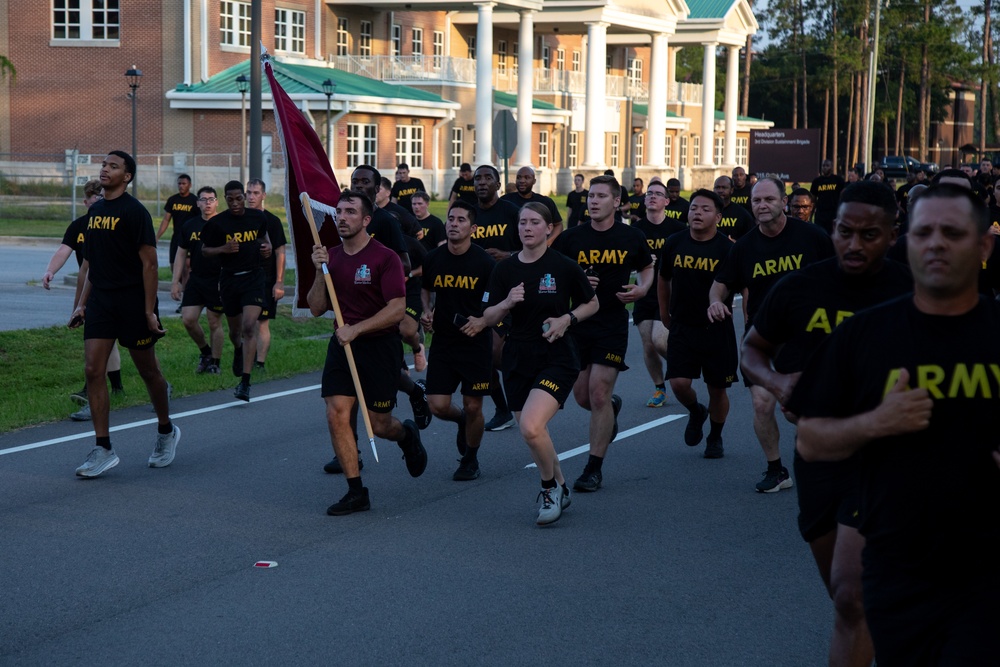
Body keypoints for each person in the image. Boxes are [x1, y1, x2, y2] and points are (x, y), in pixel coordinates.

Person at [790, 183, 1000, 666]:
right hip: (898, 563)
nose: (936, 243)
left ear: (984, 245)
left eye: (953, 232)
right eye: (924, 232)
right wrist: (874, 423)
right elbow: (811, 441)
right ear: (906, 242)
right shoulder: (863, 335)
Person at [741, 181, 911, 667]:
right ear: (831, 230)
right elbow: (753, 349)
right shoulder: (800, 286)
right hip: (818, 451)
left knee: (855, 598)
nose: (854, 245)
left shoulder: (909, 290)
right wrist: (778, 383)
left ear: (892, 235)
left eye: (870, 234)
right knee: (844, 597)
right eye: (845, 232)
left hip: (886, 455)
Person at [708, 176, 834, 492]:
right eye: (756, 201)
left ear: (783, 202)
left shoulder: (812, 237)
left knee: (796, 409)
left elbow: (839, 275)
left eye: (768, 200)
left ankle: (832, 452)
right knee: (762, 403)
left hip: (806, 333)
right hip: (761, 335)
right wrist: (714, 302)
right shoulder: (745, 247)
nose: (762, 206)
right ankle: (776, 469)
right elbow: (722, 282)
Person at [476, 202, 599, 524]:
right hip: (517, 356)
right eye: (522, 223)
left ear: (548, 228)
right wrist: (506, 302)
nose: (527, 228)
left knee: (531, 426)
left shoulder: (564, 266)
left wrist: (566, 319)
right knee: (533, 430)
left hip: (557, 355)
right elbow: (487, 317)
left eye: (534, 222)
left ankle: (549, 490)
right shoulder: (504, 269)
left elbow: (592, 303)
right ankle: (561, 486)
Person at [308, 189, 428, 516]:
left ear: (365, 220)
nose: (341, 217)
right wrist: (320, 270)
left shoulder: (384, 257)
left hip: (379, 347)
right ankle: (356, 491)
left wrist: (357, 328)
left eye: (349, 212)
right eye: (339, 212)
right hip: (342, 345)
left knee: (378, 425)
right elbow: (317, 307)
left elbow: (397, 309)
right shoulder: (330, 255)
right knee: (336, 412)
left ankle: (406, 436)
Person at [68, 151, 178, 477]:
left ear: (127, 176)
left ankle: (166, 430)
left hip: (133, 302)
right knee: (92, 370)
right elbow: (91, 263)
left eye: (113, 166)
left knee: (149, 372)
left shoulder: (135, 212)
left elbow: (150, 264)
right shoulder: (96, 211)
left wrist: (148, 311)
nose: (105, 169)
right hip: (102, 301)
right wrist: (82, 304)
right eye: (104, 164)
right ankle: (103, 447)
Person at [552, 175, 654, 492]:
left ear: (617, 202)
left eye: (600, 196)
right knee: (583, 396)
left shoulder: (632, 236)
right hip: (579, 323)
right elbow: (553, 275)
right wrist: (578, 280)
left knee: (598, 393)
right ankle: (612, 407)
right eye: (590, 196)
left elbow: (648, 266)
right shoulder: (571, 239)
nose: (593, 201)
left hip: (611, 322)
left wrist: (642, 289)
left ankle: (593, 468)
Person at [420, 200, 496, 481]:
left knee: (474, 404)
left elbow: (495, 305)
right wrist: (426, 312)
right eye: (450, 219)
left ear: (472, 228)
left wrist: (482, 321)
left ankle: (470, 458)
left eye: (461, 220)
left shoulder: (484, 263)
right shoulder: (433, 259)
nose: (453, 223)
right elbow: (425, 290)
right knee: (437, 405)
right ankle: (462, 420)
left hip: (475, 344)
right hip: (443, 342)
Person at [658, 190, 737, 458]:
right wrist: (664, 313)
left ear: (718, 216)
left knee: (717, 388)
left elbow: (741, 287)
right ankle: (695, 411)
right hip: (682, 326)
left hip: (717, 329)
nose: (697, 213)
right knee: (679, 383)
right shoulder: (674, 243)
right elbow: (664, 279)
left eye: (705, 209)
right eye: (693, 208)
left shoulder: (728, 249)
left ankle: (715, 436)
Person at [44, 179, 125, 421]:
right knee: (99, 339)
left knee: (134, 344)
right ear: (86, 201)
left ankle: (156, 386)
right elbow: (64, 252)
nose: (98, 201)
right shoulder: (79, 226)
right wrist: (51, 271)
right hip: (94, 290)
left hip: (119, 287)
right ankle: (98, 389)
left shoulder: (115, 221)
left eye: (101, 196)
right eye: (94, 198)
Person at [201, 180, 270, 402]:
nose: (235, 202)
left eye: (239, 197)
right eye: (230, 199)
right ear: (225, 199)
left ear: (244, 196)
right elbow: (204, 250)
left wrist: (267, 248)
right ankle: (238, 348)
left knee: (249, 326)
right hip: (230, 279)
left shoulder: (257, 217)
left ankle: (245, 383)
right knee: (235, 331)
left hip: (254, 277)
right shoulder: (217, 223)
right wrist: (223, 248)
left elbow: (264, 238)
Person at [472, 164, 522, 432]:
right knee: (485, 356)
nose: (481, 182)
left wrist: (507, 256)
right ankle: (503, 409)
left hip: (510, 292)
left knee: (493, 353)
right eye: (478, 178)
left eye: (487, 178)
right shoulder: (470, 214)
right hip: (477, 292)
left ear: (498, 184)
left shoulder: (512, 213)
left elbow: (532, 248)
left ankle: (521, 391)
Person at [631, 180, 687, 407]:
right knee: (648, 345)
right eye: (649, 193)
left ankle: (681, 366)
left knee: (659, 341)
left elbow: (685, 260)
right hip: (644, 292)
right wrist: (643, 265)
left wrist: (664, 264)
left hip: (670, 292)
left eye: (658, 194)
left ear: (666, 201)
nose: (652, 196)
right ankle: (659, 388)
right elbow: (628, 262)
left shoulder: (678, 230)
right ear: (645, 200)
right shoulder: (636, 232)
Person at [170, 185, 225, 374]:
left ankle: (215, 364)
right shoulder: (190, 225)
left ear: (217, 202)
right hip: (196, 278)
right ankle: (206, 352)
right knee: (188, 320)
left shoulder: (224, 223)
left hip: (217, 280)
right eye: (203, 200)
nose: (207, 203)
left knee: (214, 322)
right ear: (198, 203)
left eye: (211, 199)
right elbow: (180, 254)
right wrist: (175, 282)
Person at [245, 178, 287, 373]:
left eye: (255, 193)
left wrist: (279, 282)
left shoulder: (272, 221)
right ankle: (246, 359)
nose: (251, 197)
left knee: (262, 323)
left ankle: (259, 364)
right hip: (244, 277)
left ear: (263, 196)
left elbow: (280, 253)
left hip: (266, 278)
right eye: (249, 193)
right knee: (246, 323)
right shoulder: (239, 219)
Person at [501, 165, 564, 244]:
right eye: (519, 177)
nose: (522, 181)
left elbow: (558, 225)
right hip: (511, 251)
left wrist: (548, 242)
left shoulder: (545, 201)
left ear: (534, 181)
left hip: (537, 251)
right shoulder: (505, 201)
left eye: (527, 177)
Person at [156, 173, 200, 282]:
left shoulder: (195, 201)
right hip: (176, 237)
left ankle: (186, 294)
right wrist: (157, 237)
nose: (181, 186)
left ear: (189, 185)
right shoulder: (173, 200)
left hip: (189, 238)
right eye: (179, 183)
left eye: (184, 183)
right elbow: (166, 220)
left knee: (186, 267)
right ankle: (182, 286)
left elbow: (200, 221)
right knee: (173, 266)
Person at [713, 175, 755, 240]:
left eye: (724, 188)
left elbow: (752, 238)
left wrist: (738, 245)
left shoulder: (742, 214)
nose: (720, 191)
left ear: (732, 190)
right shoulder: (706, 211)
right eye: (717, 187)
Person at [810, 159, 846, 234]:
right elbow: (813, 199)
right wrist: (811, 215)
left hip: (834, 213)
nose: (825, 168)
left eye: (827, 166)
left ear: (832, 167)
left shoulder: (838, 180)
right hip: (821, 214)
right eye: (823, 166)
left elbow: (844, 197)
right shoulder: (817, 181)